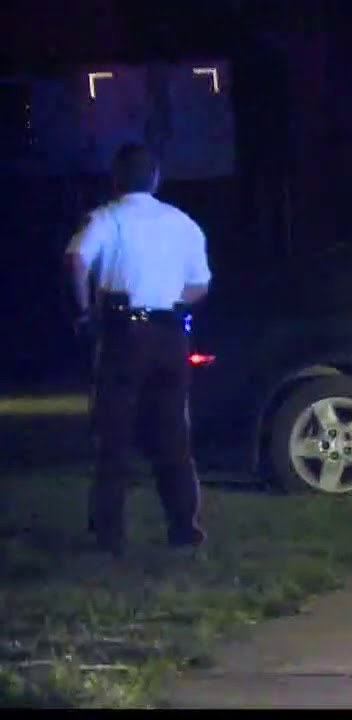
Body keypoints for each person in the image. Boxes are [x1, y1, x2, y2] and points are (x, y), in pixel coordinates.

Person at [65, 143, 213, 556]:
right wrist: (169, 298)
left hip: (123, 334)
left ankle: (110, 533)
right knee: (173, 435)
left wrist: (83, 310)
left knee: (114, 434)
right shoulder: (182, 223)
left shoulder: (108, 219)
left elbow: (76, 259)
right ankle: (184, 527)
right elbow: (200, 285)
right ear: (156, 177)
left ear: (116, 178)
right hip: (169, 335)